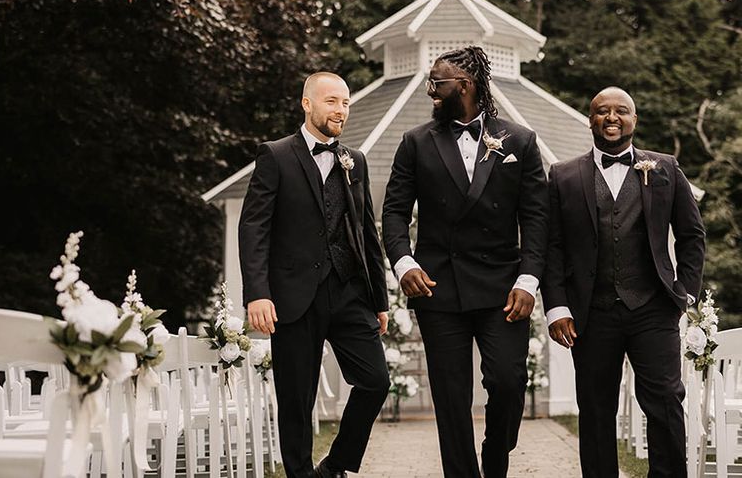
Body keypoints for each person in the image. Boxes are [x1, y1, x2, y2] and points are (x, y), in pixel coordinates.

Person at [382, 46, 549, 478]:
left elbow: (536, 219)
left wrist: (529, 281)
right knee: (452, 396)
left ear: (466, 85)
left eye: (437, 85)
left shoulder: (521, 141)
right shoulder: (415, 142)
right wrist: (404, 264)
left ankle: (497, 455)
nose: (430, 92)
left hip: (504, 290)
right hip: (439, 289)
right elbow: (394, 213)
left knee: (508, 383)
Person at [541, 86, 706, 478]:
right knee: (596, 408)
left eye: (621, 111)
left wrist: (684, 292)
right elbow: (552, 247)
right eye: (602, 111)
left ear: (635, 119)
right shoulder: (563, 175)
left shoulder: (665, 167)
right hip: (591, 313)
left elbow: (692, 234)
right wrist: (558, 307)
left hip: (653, 308)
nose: (611, 118)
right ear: (590, 119)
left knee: (666, 400)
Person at [239, 72, 390, 478]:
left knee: (375, 381)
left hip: (348, 291)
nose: (340, 110)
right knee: (296, 401)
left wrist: (380, 300)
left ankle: (336, 464)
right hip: (292, 294)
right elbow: (254, 227)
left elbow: (366, 232)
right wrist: (257, 292)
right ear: (306, 104)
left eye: (345, 102)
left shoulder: (354, 160)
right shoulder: (276, 155)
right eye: (331, 101)